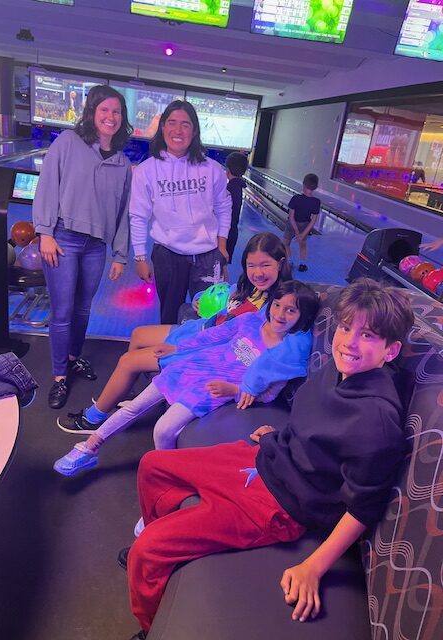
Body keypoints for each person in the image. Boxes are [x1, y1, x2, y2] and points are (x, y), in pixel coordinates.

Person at [122, 278, 414, 638]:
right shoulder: (338, 369)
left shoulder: (377, 420)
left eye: (367, 335)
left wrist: (313, 567)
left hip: (281, 506)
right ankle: (161, 555)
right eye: (345, 328)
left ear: (391, 350)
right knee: (153, 465)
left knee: (147, 550)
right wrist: (280, 436)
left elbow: (363, 508)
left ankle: (149, 626)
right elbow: (317, 425)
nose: (349, 342)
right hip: (269, 458)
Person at [53, 280, 319, 476]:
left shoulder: (284, 356)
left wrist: (234, 390)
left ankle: (163, 480)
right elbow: (212, 336)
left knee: (163, 429)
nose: (279, 314)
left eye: (290, 311)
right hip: (193, 366)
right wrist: (177, 348)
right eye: (277, 305)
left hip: (210, 389)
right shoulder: (250, 321)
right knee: (135, 406)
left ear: (302, 317)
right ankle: (90, 447)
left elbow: (268, 394)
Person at [56, 232, 291, 434]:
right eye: (252, 265)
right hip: (198, 331)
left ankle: (93, 419)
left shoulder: (278, 306)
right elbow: (220, 296)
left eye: (265, 265)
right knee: (138, 335)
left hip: (209, 349)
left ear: (280, 264)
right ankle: (130, 392)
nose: (258, 273)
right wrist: (200, 300)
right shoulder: (246, 288)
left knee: (128, 361)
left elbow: (252, 343)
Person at [33, 85, 133, 410]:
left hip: (95, 246)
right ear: (92, 112)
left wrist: (120, 254)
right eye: (104, 110)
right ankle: (60, 377)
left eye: (116, 111)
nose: (111, 116)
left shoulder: (122, 163)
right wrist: (45, 232)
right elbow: (48, 185)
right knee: (63, 311)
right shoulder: (68, 142)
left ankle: (73, 358)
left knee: (83, 309)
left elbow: (124, 212)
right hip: (63, 238)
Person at [129, 99, 232, 325]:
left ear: (194, 131)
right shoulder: (146, 170)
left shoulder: (212, 169)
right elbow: (138, 215)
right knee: (169, 316)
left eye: (185, 124)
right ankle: (169, 348)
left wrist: (222, 244)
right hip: (167, 254)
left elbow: (224, 207)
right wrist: (140, 257)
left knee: (209, 318)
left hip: (207, 255)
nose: (178, 130)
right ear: (162, 127)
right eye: (172, 123)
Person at [283, 173, 320, 273]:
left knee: (286, 244)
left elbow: (291, 216)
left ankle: (290, 262)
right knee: (302, 245)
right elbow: (313, 221)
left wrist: (296, 231)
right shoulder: (316, 202)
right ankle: (302, 264)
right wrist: (303, 234)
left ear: (303, 184)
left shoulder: (295, 198)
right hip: (305, 225)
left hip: (292, 224)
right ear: (315, 187)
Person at [225, 151, 249, 264]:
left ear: (228, 169)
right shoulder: (238, 186)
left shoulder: (230, 188)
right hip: (232, 232)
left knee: (218, 265)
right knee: (223, 265)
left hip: (225, 233)